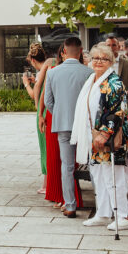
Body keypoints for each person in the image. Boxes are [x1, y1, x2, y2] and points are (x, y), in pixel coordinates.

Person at [73, 44, 128, 230]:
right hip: (95, 136)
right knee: (99, 174)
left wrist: (105, 133)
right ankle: (103, 212)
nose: (99, 61)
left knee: (114, 176)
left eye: (104, 58)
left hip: (111, 138)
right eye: (95, 58)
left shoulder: (114, 82)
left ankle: (124, 216)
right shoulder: (92, 79)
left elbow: (118, 111)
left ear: (111, 62)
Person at [43, 36, 93, 218]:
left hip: (62, 124)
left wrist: (60, 113)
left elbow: (48, 101)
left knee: (67, 165)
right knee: (92, 163)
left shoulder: (53, 72)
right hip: (85, 125)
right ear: (80, 51)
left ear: (64, 51)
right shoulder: (88, 73)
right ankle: (101, 203)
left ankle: (70, 205)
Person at [22, 43, 50, 193]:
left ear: (32, 60)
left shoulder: (41, 74)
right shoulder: (48, 70)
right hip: (49, 112)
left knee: (44, 147)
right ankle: (47, 182)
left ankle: (46, 184)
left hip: (42, 113)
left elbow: (36, 96)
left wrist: (27, 84)